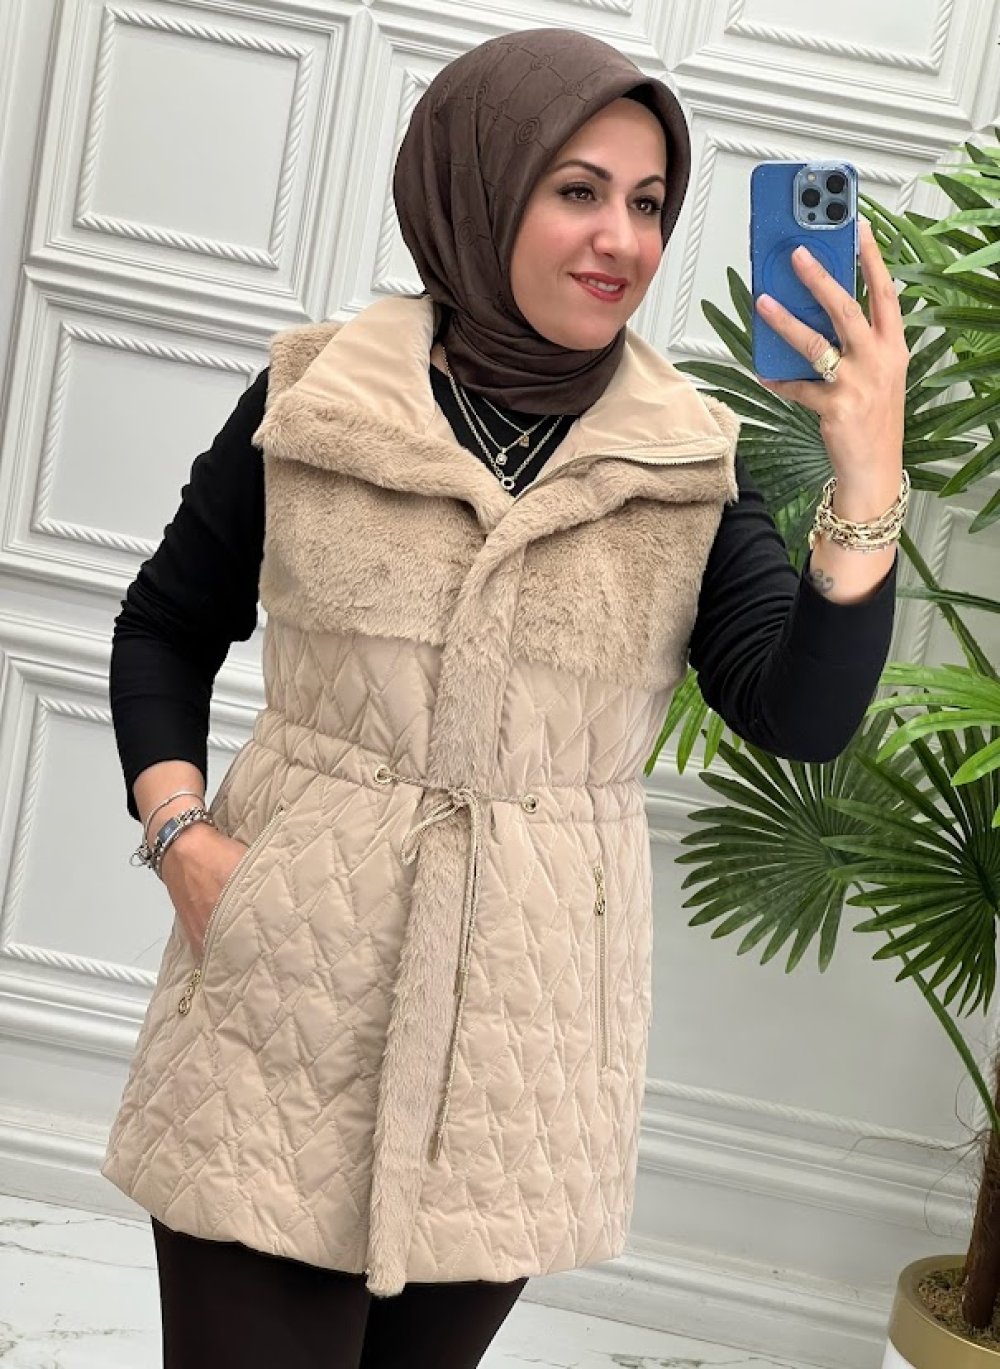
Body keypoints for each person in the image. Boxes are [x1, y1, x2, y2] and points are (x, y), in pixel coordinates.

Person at [100, 25, 908, 1369]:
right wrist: (181, 836)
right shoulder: (321, 400)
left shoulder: (685, 463)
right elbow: (166, 628)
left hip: (520, 1050)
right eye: (577, 189)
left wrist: (866, 482)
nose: (622, 240)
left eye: (649, 203)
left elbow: (799, 715)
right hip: (280, 999)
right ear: (478, 188)